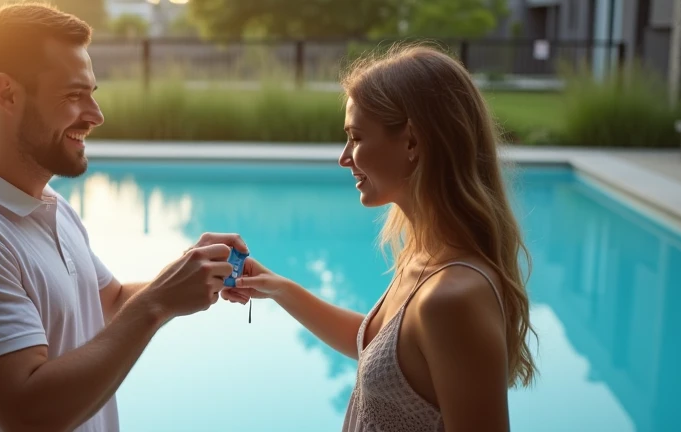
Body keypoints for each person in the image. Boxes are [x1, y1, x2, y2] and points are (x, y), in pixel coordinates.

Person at [0, 4, 247, 432]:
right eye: (73, 95)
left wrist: (197, 272)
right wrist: (158, 302)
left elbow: (106, 303)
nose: (96, 114)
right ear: (8, 94)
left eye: (91, 92)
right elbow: (31, 414)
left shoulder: (49, 205)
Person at [221, 44, 538, 432]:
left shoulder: (452, 297)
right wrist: (278, 289)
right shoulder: (425, 256)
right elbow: (379, 351)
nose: (344, 157)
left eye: (355, 137)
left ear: (412, 142)